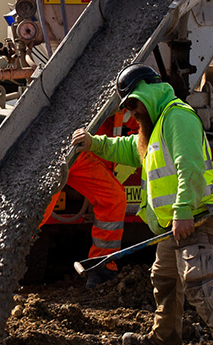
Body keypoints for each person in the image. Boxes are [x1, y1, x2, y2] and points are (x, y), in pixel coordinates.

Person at [71, 63, 213, 345]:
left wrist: (183, 210)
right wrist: (93, 143)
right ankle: (164, 338)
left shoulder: (177, 118)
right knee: (165, 282)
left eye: (134, 104)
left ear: (148, 91)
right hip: (171, 226)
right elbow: (126, 148)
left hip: (194, 219)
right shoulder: (156, 126)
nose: (131, 112)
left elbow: (191, 168)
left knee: (201, 288)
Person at [41, 110, 137, 289]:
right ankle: (7, 262)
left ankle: (102, 269)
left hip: (84, 153)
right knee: (37, 211)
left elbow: (142, 127)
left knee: (113, 198)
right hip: (53, 148)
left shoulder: (123, 101)